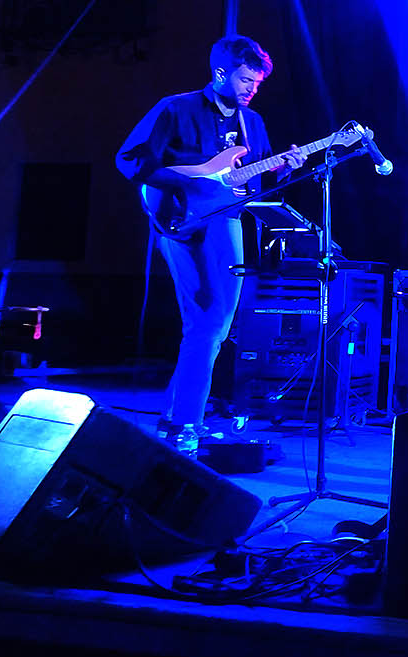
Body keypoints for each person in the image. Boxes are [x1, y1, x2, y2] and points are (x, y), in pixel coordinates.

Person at [116, 35, 306, 443]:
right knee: (206, 316)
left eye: (257, 82)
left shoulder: (253, 124)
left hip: (228, 221)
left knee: (217, 324)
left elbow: (253, 181)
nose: (252, 89)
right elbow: (131, 160)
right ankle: (187, 423)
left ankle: (174, 416)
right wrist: (192, 182)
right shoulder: (176, 108)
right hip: (178, 219)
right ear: (220, 72)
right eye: (245, 79)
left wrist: (285, 166)